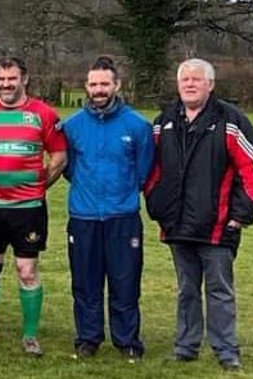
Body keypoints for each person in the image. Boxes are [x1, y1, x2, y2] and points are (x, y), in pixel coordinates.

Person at [145, 58, 253, 371]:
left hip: (218, 225)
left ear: (210, 85)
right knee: (186, 289)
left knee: (220, 290)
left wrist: (240, 215)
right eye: (184, 78)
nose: (189, 83)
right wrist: (157, 205)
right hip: (177, 224)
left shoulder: (231, 120)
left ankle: (227, 351)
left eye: (197, 79)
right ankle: (186, 347)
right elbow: (151, 169)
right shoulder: (164, 121)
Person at [0, 56, 67, 356]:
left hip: (28, 209)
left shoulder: (43, 114)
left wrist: (37, 186)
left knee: (26, 271)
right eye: (1, 79)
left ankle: (30, 336)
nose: (6, 84)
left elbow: (59, 158)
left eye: (12, 78)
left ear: (25, 79)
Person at [60, 56, 153, 360]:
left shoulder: (138, 126)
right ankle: (88, 338)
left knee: (124, 282)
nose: (99, 89)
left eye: (104, 84)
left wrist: (120, 194)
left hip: (122, 217)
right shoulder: (72, 126)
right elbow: (70, 168)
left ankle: (127, 341)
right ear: (86, 86)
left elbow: (143, 172)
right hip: (84, 217)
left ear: (117, 85)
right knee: (85, 283)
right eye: (93, 84)